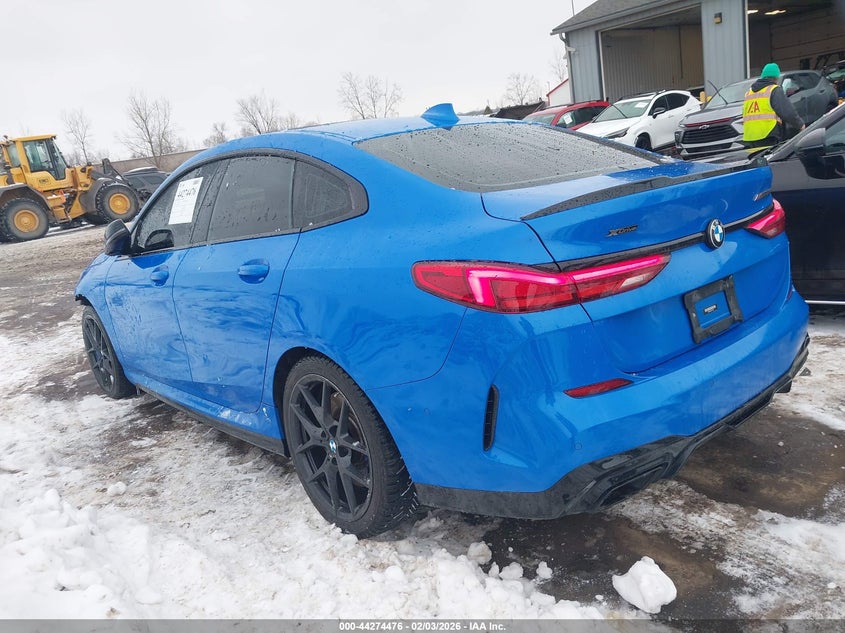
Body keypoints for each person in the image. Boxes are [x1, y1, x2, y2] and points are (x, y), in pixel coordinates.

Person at [742, 62, 805, 148]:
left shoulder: (749, 93)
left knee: (757, 157)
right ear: (776, 77)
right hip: (768, 135)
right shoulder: (774, 90)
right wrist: (800, 124)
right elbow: (787, 112)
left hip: (750, 137)